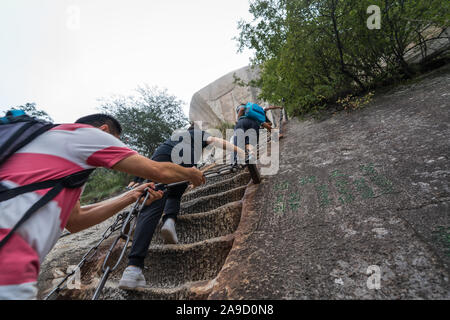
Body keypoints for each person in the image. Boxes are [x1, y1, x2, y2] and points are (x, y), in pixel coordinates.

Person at [0, 114, 205, 300]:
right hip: (9, 267)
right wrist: (191, 173)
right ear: (105, 131)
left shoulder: (52, 155)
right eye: (115, 141)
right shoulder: (85, 135)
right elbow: (156, 170)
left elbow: (76, 221)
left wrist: (131, 196)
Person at [118, 122, 245, 290]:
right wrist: (240, 151)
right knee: (176, 191)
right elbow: (216, 140)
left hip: (159, 156)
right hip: (184, 158)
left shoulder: (174, 137)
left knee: (153, 203)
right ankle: (169, 221)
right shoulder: (199, 134)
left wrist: (138, 179)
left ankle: (132, 269)